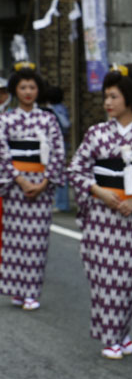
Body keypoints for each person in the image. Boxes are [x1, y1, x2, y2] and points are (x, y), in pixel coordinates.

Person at [68, 64, 132, 359]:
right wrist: (99, 191)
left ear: (128, 98)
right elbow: (76, 169)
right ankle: (113, 338)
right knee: (101, 279)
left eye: (113, 96)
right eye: (106, 97)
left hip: (130, 218)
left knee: (128, 278)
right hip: (100, 218)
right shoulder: (96, 133)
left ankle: (121, 333)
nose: (107, 103)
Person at [0, 65, 67, 310]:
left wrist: (44, 182)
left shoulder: (48, 118)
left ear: (38, 90)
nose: (28, 91)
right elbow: (1, 152)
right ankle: (16, 289)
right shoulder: (5, 119)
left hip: (41, 184)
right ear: (15, 91)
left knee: (37, 241)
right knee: (14, 239)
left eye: (32, 87)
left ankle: (31, 291)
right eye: (23, 87)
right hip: (16, 186)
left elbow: (58, 152)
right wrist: (20, 179)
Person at [44, 85, 71, 212]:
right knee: (54, 172)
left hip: (60, 144)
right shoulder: (56, 108)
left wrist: (53, 111)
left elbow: (66, 124)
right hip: (53, 144)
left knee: (60, 173)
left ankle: (62, 204)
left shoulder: (58, 109)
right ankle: (57, 202)